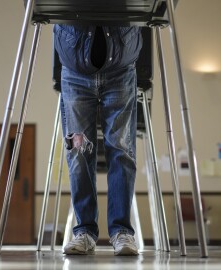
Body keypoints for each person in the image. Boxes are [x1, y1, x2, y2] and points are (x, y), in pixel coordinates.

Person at [53, 24, 142, 256]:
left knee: (122, 150)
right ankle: (84, 231)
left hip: (120, 67)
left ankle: (122, 232)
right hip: (75, 70)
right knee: (78, 153)